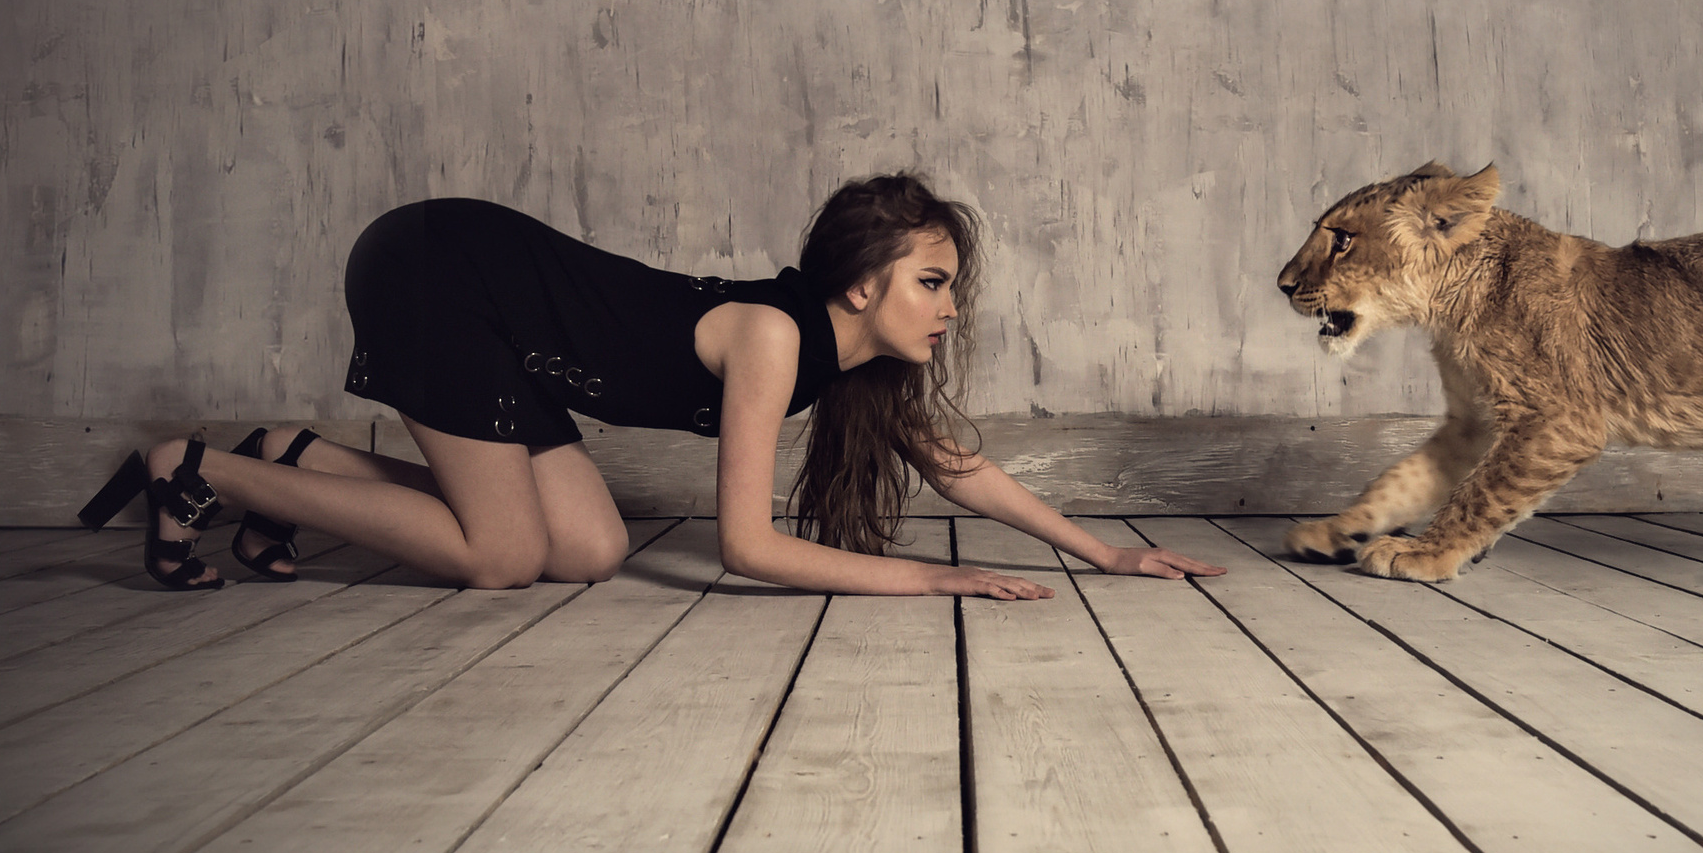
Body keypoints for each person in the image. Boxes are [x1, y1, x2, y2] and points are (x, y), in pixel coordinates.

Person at [78, 175, 1224, 597]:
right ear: (866, 286)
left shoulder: (853, 360)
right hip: (442, 267)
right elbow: (746, 547)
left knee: (587, 550)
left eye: (950, 284)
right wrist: (931, 582)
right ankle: (195, 472)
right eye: (932, 280)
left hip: (507, 331)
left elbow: (959, 466)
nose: (950, 303)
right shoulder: (775, 338)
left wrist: (1107, 552)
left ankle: (293, 461)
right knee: (500, 557)